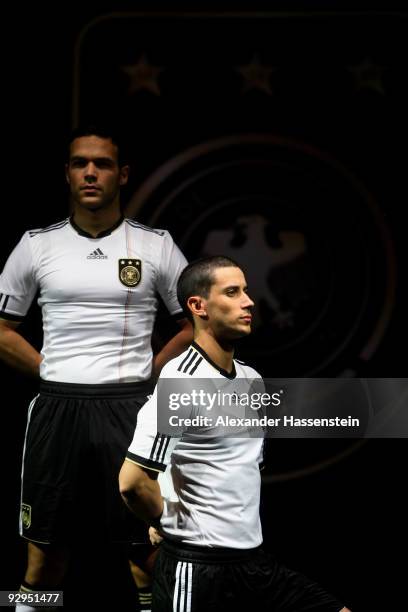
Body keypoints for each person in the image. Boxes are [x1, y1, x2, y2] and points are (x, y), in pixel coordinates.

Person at [0, 125, 192, 611]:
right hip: (57, 409)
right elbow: (0, 327)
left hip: (131, 408)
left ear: (122, 175)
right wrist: (51, 371)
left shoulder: (156, 245)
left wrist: (152, 368)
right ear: (66, 174)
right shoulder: (35, 244)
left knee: (149, 551)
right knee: (43, 557)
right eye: (80, 163)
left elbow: (197, 321)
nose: (91, 172)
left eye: (102, 164)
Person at [119, 256, 351, 612]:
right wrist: (160, 521)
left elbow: (233, 462)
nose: (249, 301)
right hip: (197, 571)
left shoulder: (250, 378)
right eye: (232, 292)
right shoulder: (181, 379)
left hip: (254, 564)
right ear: (198, 306)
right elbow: (133, 481)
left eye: (245, 290)